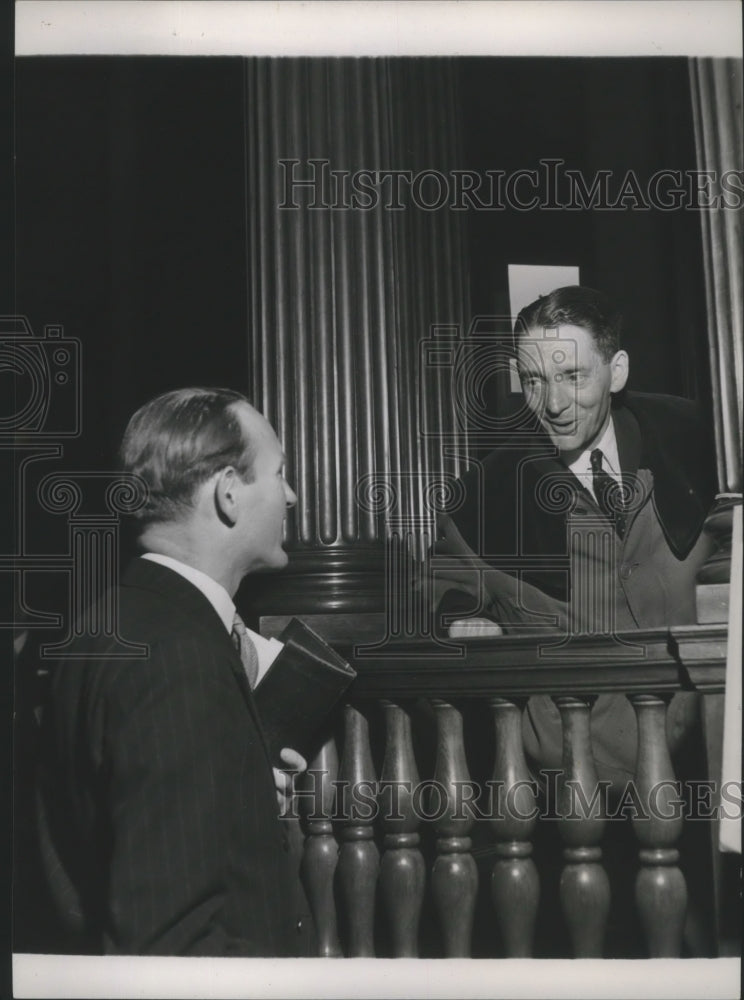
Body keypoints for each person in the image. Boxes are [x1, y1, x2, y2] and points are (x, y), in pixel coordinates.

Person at [34, 387, 308, 956]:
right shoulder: (176, 656)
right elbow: (169, 942)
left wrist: (243, 800)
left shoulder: (111, 621)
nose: (291, 495)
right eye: (278, 473)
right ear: (229, 492)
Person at [430, 286, 718, 789]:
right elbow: (440, 594)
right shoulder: (481, 498)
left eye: (573, 376)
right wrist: (463, 618)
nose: (555, 403)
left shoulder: (703, 446)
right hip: (573, 801)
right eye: (535, 381)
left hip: (710, 774)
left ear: (618, 370)